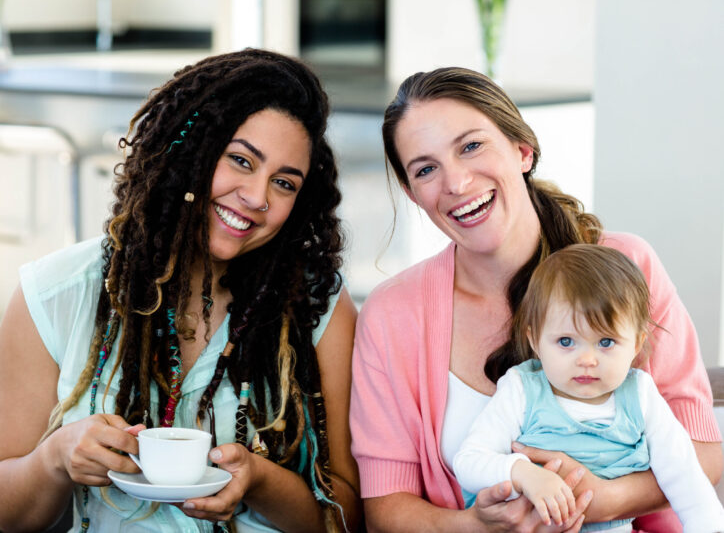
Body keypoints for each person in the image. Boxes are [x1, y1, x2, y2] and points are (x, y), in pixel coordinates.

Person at [0, 49, 361, 533]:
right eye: (240, 160)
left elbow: (348, 518)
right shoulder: (53, 294)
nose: (257, 198)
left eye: (283, 182)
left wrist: (260, 482)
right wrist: (54, 459)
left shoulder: (320, 312)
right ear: (186, 150)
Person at [349, 66, 722, 532]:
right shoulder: (391, 315)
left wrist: (601, 501)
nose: (457, 184)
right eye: (426, 169)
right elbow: (386, 510)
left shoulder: (629, 265)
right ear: (412, 193)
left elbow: (702, 453)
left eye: (471, 146)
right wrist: (480, 526)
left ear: (522, 151)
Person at [453, 244, 724, 532]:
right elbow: (468, 463)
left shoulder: (640, 395)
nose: (586, 360)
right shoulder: (521, 390)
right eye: (566, 342)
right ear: (535, 341)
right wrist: (523, 473)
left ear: (635, 343)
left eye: (605, 342)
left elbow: (686, 478)